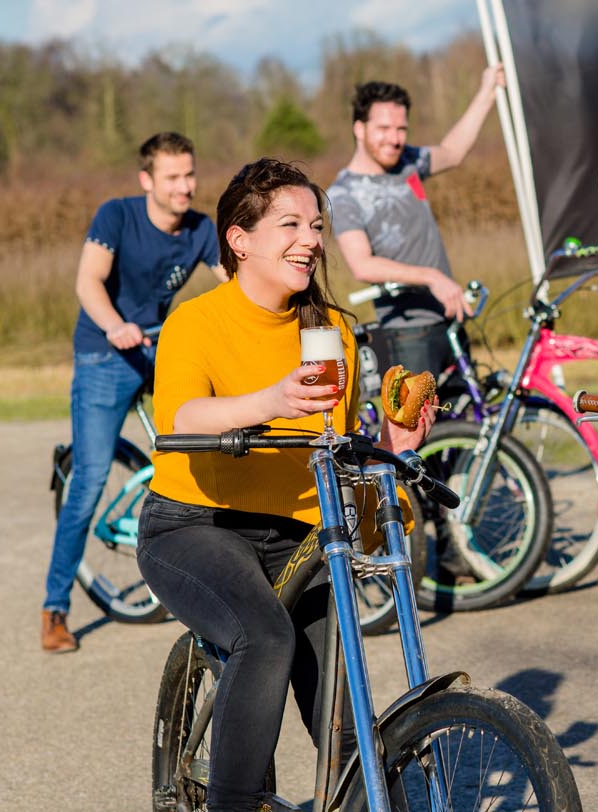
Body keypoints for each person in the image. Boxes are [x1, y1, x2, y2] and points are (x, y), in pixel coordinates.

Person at [135, 158, 432, 812]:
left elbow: (339, 445)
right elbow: (182, 417)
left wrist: (397, 444)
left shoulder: (333, 333)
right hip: (195, 525)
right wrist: (271, 397)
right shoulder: (197, 322)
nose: (312, 239)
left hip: (299, 533)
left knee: (349, 719)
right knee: (264, 637)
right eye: (291, 223)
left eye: (317, 225)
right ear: (240, 240)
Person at [41, 132, 225, 653]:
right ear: (147, 180)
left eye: (189, 174)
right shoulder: (116, 216)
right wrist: (117, 326)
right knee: (92, 477)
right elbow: (88, 283)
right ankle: (54, 609)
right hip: (105, 353)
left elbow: (234, 282)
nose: (185, 186)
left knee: (202, 445)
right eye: (172, 177)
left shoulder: (201, 229)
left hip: (160, 350)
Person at [327, 66, 505, 377]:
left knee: (466, 421)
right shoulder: (343, 194)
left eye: (401, 129)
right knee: (416, 425)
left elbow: (453, 151)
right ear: (359, 128)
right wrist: (432, 277)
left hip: (449, 316)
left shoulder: (407, 162)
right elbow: (362, 265)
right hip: (407, 333)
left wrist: (487, 91)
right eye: (383, 128)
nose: (394, 140)